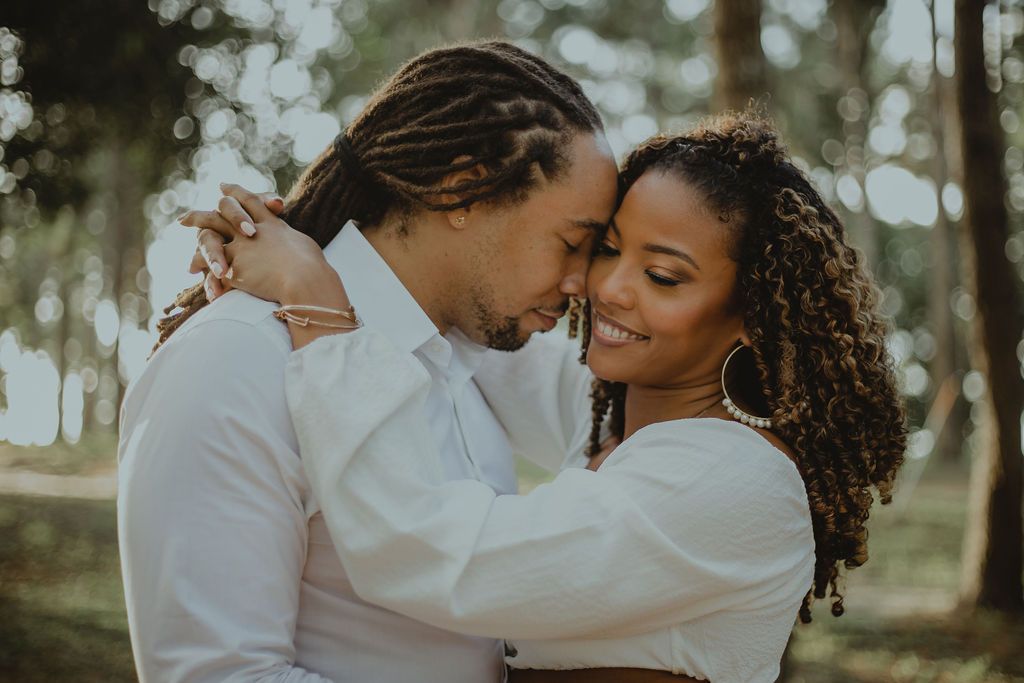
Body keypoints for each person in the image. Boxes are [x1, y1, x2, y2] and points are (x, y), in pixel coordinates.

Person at [189, 112, 907, 683]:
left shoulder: (732, 483)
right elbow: (452, 305)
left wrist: (314, 296)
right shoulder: (614, 412)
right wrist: (287, 240)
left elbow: (428, 550)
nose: (605, 287)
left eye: (662, 275)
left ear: (753, 313)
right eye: (605, 247)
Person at [117, 40, 620, 683]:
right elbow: (217, 675)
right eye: (573, 242)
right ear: (463, 188)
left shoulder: (468, 360)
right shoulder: (234, 360)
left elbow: (640, 422)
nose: (584, 282)